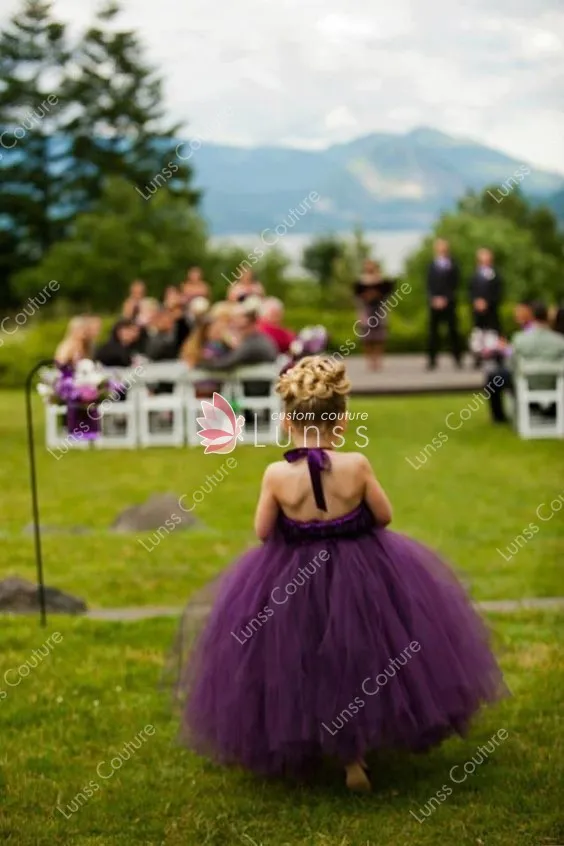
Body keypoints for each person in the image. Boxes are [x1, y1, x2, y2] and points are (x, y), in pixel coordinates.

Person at [171, 356, 505, 791]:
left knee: (300, 657)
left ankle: (306, 741)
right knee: (362, 657)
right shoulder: (357, 465)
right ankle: (354, 758)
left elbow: (263, 530)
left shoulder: (276, 474)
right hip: (361, 569)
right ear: (342, 422)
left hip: (290, 578)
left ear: (286, 423)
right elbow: (384, 516)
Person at [486, 301, 564, 423]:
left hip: (525, 384)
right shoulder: (559, 341)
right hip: (554, 384)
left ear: (532, 316)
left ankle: (499, 418)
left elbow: (511, 364)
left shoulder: (520, 339)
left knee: (495, 376)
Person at [203, 306, 277, 371]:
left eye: (242, 327)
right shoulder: (260, 339)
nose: (237, 329)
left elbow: (227, 364)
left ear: (252, 324)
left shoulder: (252, 344)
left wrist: (202, 364)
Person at [426, 238, 461, 369]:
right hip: (434, 303)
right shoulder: (431, 265)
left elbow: (455, 284)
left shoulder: (453, 265)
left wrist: (446, 298)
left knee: (453, 331)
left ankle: (457, 358)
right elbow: (429, 284)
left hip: (449, 302)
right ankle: (432, 360)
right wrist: (434, 298)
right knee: (433, 332)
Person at [353, 260, 394, 371]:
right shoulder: (361, 281)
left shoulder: (382, 280)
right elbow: (357, 296)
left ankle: (378, 359)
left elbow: (388, 293)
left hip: (379, 310)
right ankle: (369, 360)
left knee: (379, 337)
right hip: (366, 310)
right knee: (366, 337)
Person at [469, 249, 503, 366]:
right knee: (478, 335)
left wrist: (487, 302)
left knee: (492, 335)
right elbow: (471, 291)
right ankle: (478, 357)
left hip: (491, 311)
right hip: (478, 312)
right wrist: (476, 302)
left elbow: (498, 292)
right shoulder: (474, 275)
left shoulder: (495, 275)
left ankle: (494, 356)